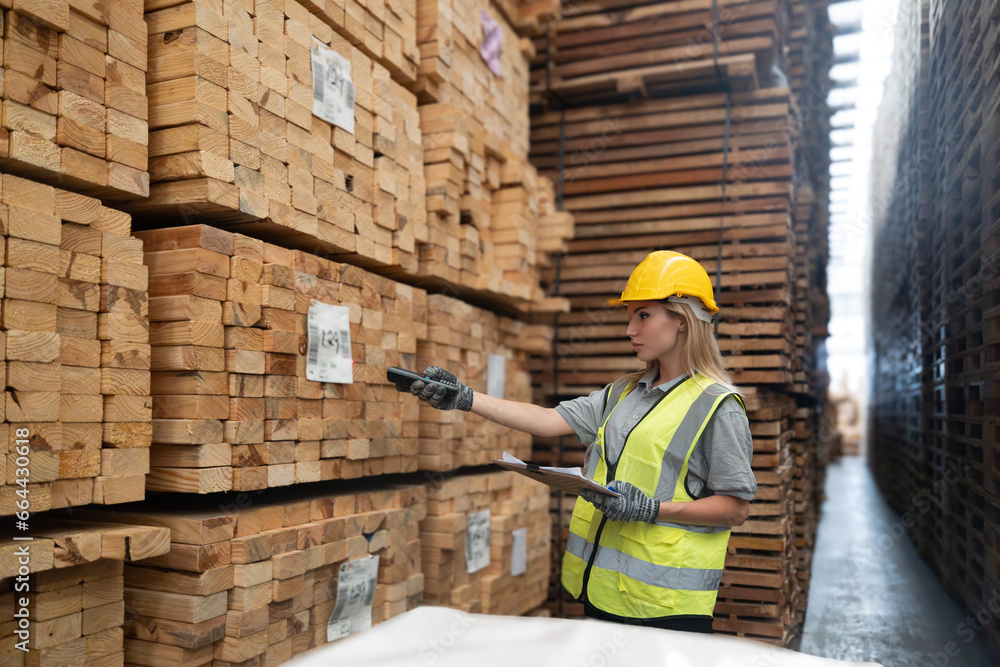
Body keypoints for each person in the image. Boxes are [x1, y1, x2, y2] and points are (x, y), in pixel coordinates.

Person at [395, 250, 757, 634]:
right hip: (602, 592)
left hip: (665, 608)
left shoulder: (718, 406)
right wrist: (465, 398)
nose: (629, 329)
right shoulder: (624, 393)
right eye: (630, 316)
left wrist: (651, 509)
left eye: (643, 315)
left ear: (682, 320)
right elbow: (548, 420)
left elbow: (735, 508)